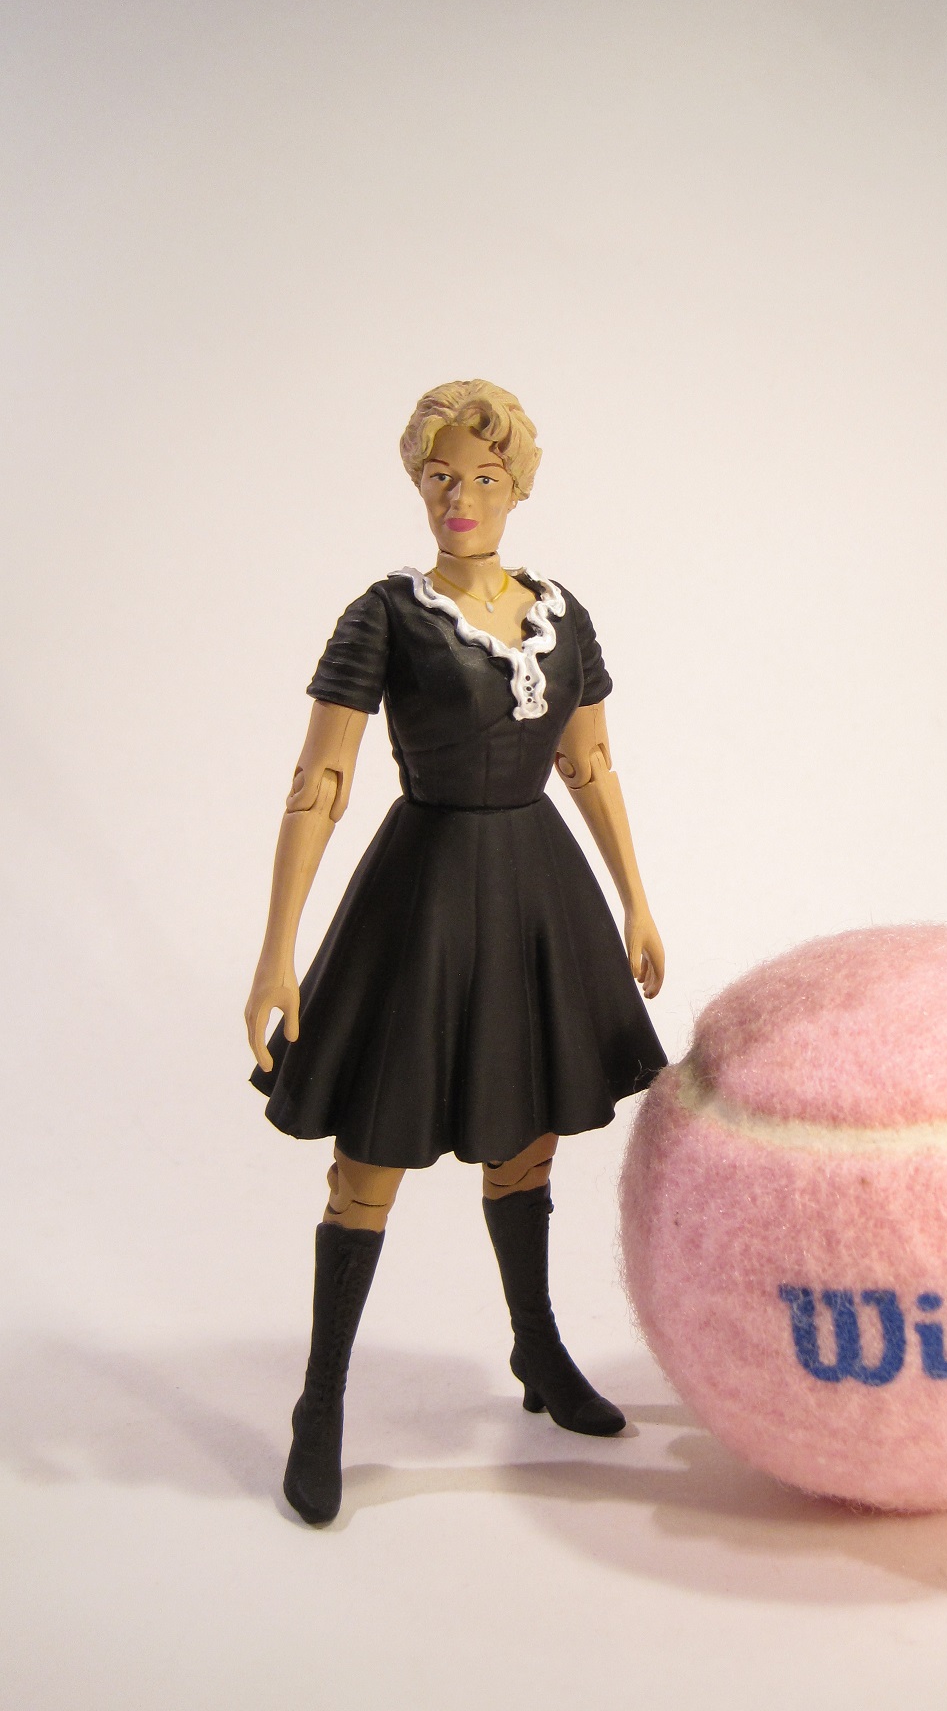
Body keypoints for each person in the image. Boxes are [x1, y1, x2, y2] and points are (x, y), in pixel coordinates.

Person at [244, 378, 667, 1526]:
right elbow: (320, 780)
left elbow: (589, 762)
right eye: (440, 477)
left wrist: (635, 897)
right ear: (417, 484)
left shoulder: (562, 616)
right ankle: (321, 1404)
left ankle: (537, 1346)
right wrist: (278, 949)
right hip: (422, 896)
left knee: (525, 1137)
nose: (460, 498)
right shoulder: (386, 614)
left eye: (483, 477)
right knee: (371, 1155)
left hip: (535, 892)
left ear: (517, 487)